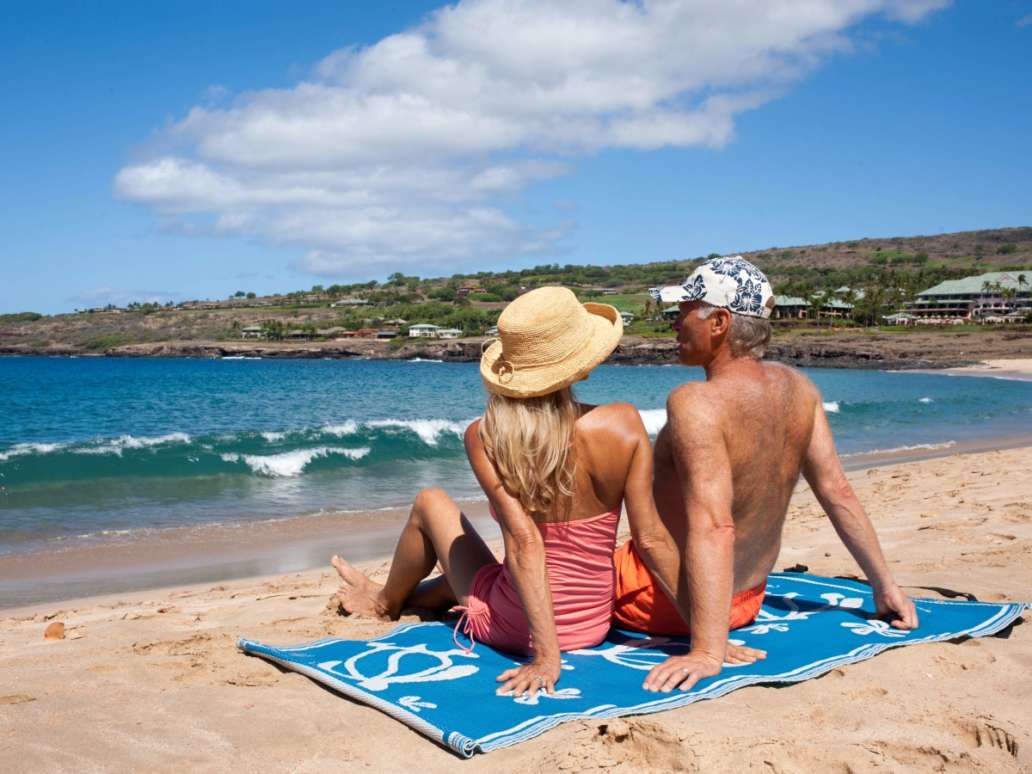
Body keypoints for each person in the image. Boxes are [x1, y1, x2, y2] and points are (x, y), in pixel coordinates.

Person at [331, 286, 689, 698]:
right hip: (592, 621)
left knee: (430, 501)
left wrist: (546, 657)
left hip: (520, 627)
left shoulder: (485, 436)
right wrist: (705, 640)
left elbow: (525, 541)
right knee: (486, 572)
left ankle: (384, 602)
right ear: (583, 365)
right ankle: (396, 594)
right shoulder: (624, 424)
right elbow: (652, 539)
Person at [613, 256, 919, 693]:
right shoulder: (800, 388)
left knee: (560, 570)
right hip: (748, 600)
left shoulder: (696, 402)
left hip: (670, 603)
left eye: (682, 314)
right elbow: (837, 490)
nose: (674, 325)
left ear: (718, 322)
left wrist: (706, 648)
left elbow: (716, 526)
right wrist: (884, 586)